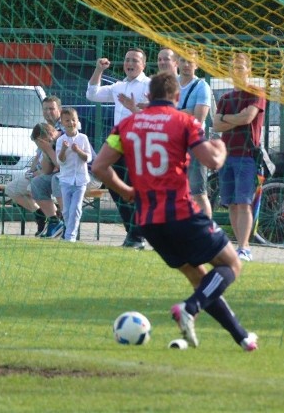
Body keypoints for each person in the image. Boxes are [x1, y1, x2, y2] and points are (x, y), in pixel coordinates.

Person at [92, 72, 257, 351]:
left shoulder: (127, 125)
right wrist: (220, 147)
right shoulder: (184, 121)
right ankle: (190, 308)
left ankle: (241, 337)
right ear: (177, 96)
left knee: (200, 279)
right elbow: (213, 161)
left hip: (148, 221)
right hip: (181, 213)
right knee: (231, 264)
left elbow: (98, 167)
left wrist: (125, 191)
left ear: (148, 95)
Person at [86, 48, 151, 249]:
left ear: (143, 65)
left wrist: (141, 107)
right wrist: (99, 70)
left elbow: (161, 109)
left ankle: (136, 235)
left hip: (140, 144)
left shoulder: (150, 84)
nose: (130, 63)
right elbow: (92, 94)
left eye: (134, 60)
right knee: (115, 186)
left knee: (134, 189)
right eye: (127, 60)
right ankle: (134, 232)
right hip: (117, 143)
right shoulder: (118, 86)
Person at [212, 52, 266, 263]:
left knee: (244, 203)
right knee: (232, 204)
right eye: (233, 67)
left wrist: (227, 118)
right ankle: (239, 245)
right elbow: (216, 124)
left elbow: (248, 118)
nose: (237, 71)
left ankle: (245, 248)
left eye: (241, 67)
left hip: (246, 156)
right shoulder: (225, 98)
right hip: (226, 156)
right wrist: (233, 119)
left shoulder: (256, 92)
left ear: (249, 70)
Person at [5, 96, 65, 236]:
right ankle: (41, 213)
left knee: (34, 186)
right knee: (11, 189)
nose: (48, 112)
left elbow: (56, 164)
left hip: (54, 173)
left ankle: (53, 218)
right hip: (41, 171)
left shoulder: (63, 129)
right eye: (45, 109)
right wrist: (31, 171)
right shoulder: (42, 127)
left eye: (51, 108)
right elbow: (39, 154)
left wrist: (38, 173)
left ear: (59, 110)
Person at [177, 50, 214, 218]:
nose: (186, 65)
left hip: (194, 145)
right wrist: (186, 111)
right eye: (183, 60)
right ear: (177, 62)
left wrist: (172, 112)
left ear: (197, 65)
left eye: (190, 62)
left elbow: (199, 117)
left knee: (198, 192)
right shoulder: (170, 84)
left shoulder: (202, 86)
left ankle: (208, 234)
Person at [56, 107, 93, 242]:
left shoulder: (83, 138)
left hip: (81, 180)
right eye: (67, 120)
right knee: (66, 211)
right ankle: (68, 230)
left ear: (77, 121)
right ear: (62, 123)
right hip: (65, 180)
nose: (70, 123)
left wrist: (78, 151)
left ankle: (70, 236)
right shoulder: (61, 140)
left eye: (73, 120)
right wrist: (64, 150)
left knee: (76, 209)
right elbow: (60, 161)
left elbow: (88, 158)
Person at [29, 122, 65, 237]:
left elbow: (61, 166)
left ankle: (67, 221)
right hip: (63, 175)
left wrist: (49, 150)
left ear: (49, 134)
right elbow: (46, 171)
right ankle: (54, 221)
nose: (40, 145)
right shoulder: (50, 144)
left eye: (41, 142)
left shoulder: (64, 138)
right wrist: (45, 152)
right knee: (37, 183)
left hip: (85, 175)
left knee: (57, 179)